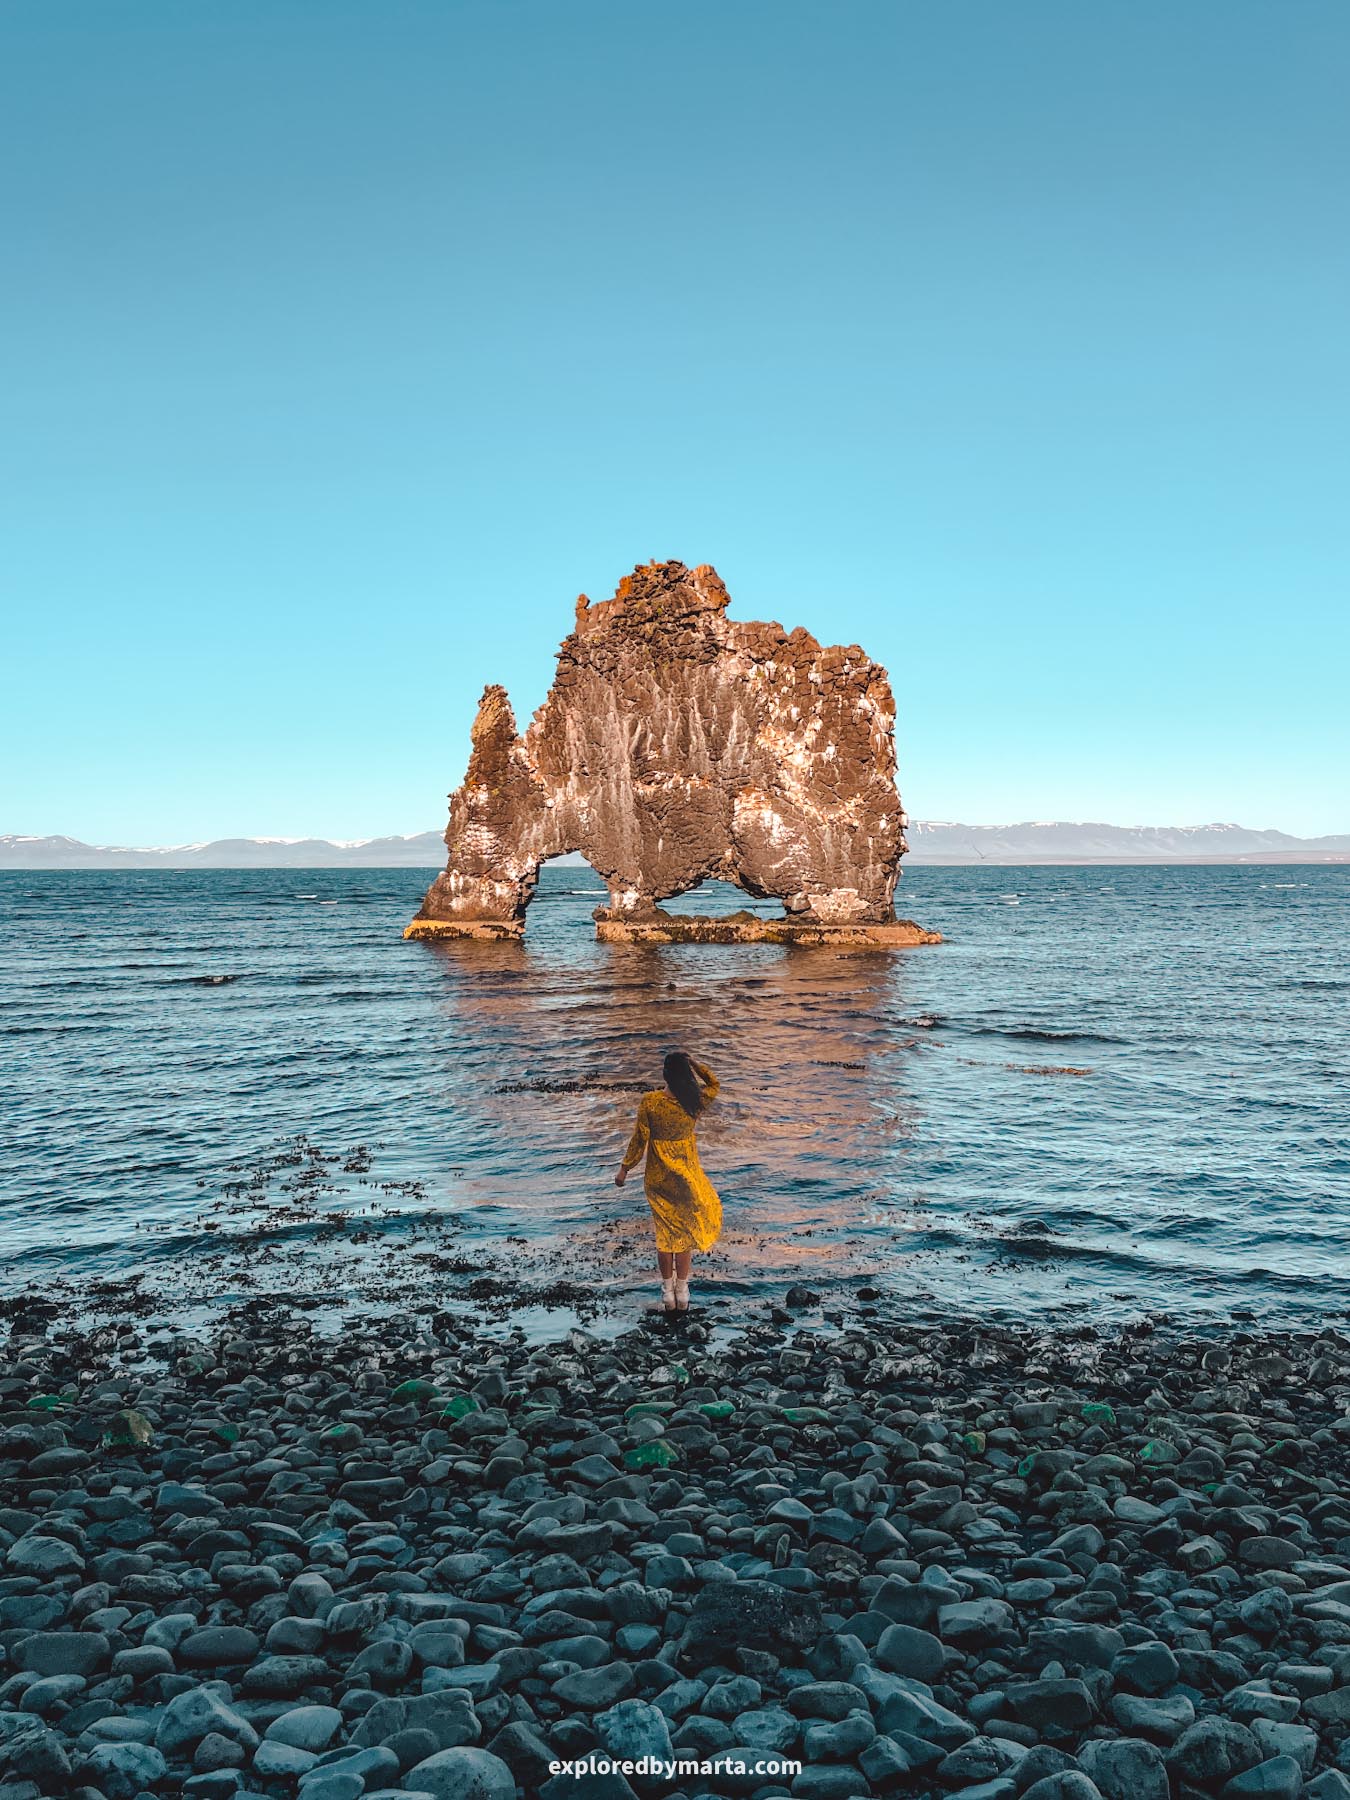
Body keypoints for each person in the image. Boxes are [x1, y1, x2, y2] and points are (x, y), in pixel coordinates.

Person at [616, 1051, 721, 1314]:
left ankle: (666, 1292)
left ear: (664, 1074)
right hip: (686, 1176)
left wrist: (624, 1169)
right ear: (686, 1075)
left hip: (658, 1177)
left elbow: (639, 1140)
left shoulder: (650, 1102)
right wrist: (695, 1063)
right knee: (683, 1235)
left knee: (665, 1235)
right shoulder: (694, 1101)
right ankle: (682, 1293)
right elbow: (714, 1084)